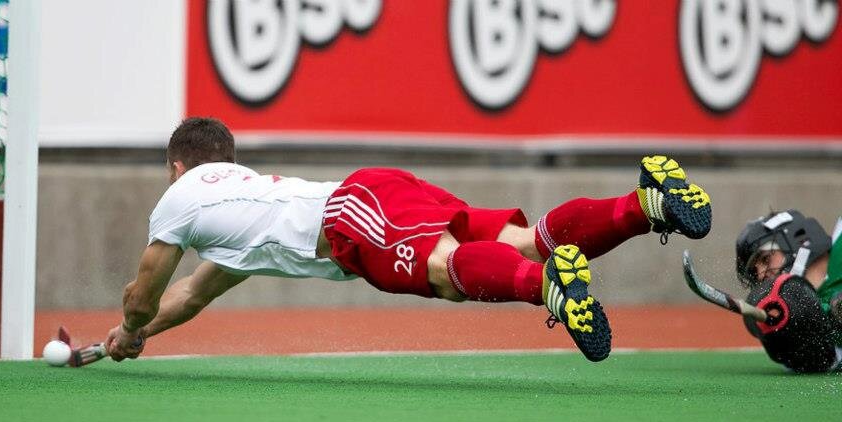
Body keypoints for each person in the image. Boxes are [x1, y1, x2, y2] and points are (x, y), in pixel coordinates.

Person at [105, 117, 712, 363]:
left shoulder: (180, 198)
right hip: (375, 193)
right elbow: (189, 294)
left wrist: (130, 329)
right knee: (523, 241)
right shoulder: (241, 212)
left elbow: (146, 293)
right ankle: (645, 205)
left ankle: (550, 291)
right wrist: (139, 338)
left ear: (177, 169)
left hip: (351, 217)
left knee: (449, 272)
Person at [735, 210, 842, 373]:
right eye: (755, 275)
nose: (762, 275)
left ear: (798, 238)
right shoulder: (804, 319)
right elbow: (822, 363)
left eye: (765, 259)